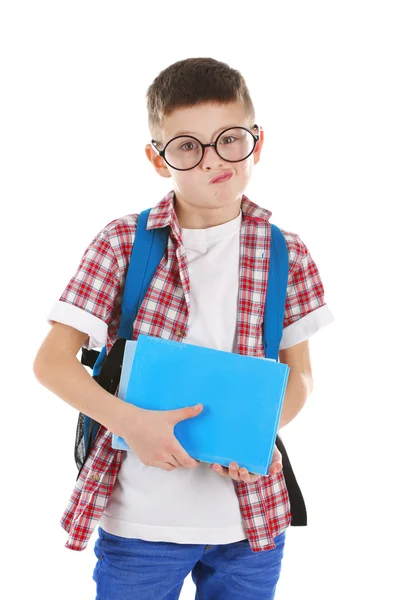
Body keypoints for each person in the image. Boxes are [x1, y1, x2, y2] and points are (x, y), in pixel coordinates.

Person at [33, 57, 335, 600]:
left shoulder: (286, 253)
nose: (213, 159)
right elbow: (51, 363)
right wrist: (135, 425)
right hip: (142, 523)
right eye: (188, 146)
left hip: (252, 522)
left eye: (230, 139)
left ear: (257, 144)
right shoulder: (124, 243)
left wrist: (259, 437)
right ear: (158, 158)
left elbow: (301, 377)